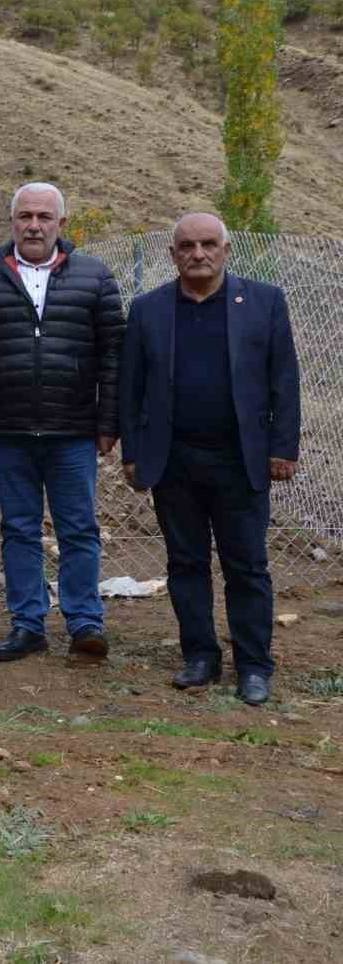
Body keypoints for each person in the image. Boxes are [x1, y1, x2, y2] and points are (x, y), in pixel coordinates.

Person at [120, 213, 300, 705]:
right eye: (187, 246)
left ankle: (254, 665)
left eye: (207, 244)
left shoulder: (264, 301)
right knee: (186, 564)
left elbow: (284, 380)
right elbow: (130, 388)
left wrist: (283, 447)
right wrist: (133, 453)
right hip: (174, 461)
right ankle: (199, 657)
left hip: (241, 460)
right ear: (172, 254)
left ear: (226, 249)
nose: (198, 254)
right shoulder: (148, 309)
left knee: (247, 566)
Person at [0, 182, 124, 662]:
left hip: (74, 431)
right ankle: (27, 624)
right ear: (12, 221)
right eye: (25, 216)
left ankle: (85, 623)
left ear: (61, 223)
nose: (33, 225)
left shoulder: (95, 276)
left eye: (44, 217)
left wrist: (108, 422)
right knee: (19, 530)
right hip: (8, 431)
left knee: (79, 529)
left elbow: (114, 356)